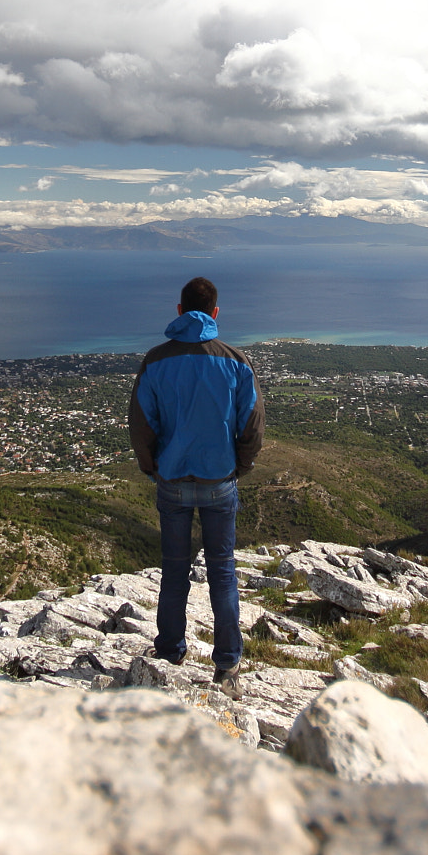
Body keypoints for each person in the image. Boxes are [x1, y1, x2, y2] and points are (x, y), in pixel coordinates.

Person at [127, 276, 264, 686]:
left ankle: (169, 653)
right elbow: (252, 425)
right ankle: (227, 664)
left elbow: (141, 422)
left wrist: (150, 464)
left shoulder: (155, 361)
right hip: (219, 480)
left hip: (171, 480)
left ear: (180, 312)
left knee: (174, 571)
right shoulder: (236, 361)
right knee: (222, 570)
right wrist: (241, 466)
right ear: (215, 313)